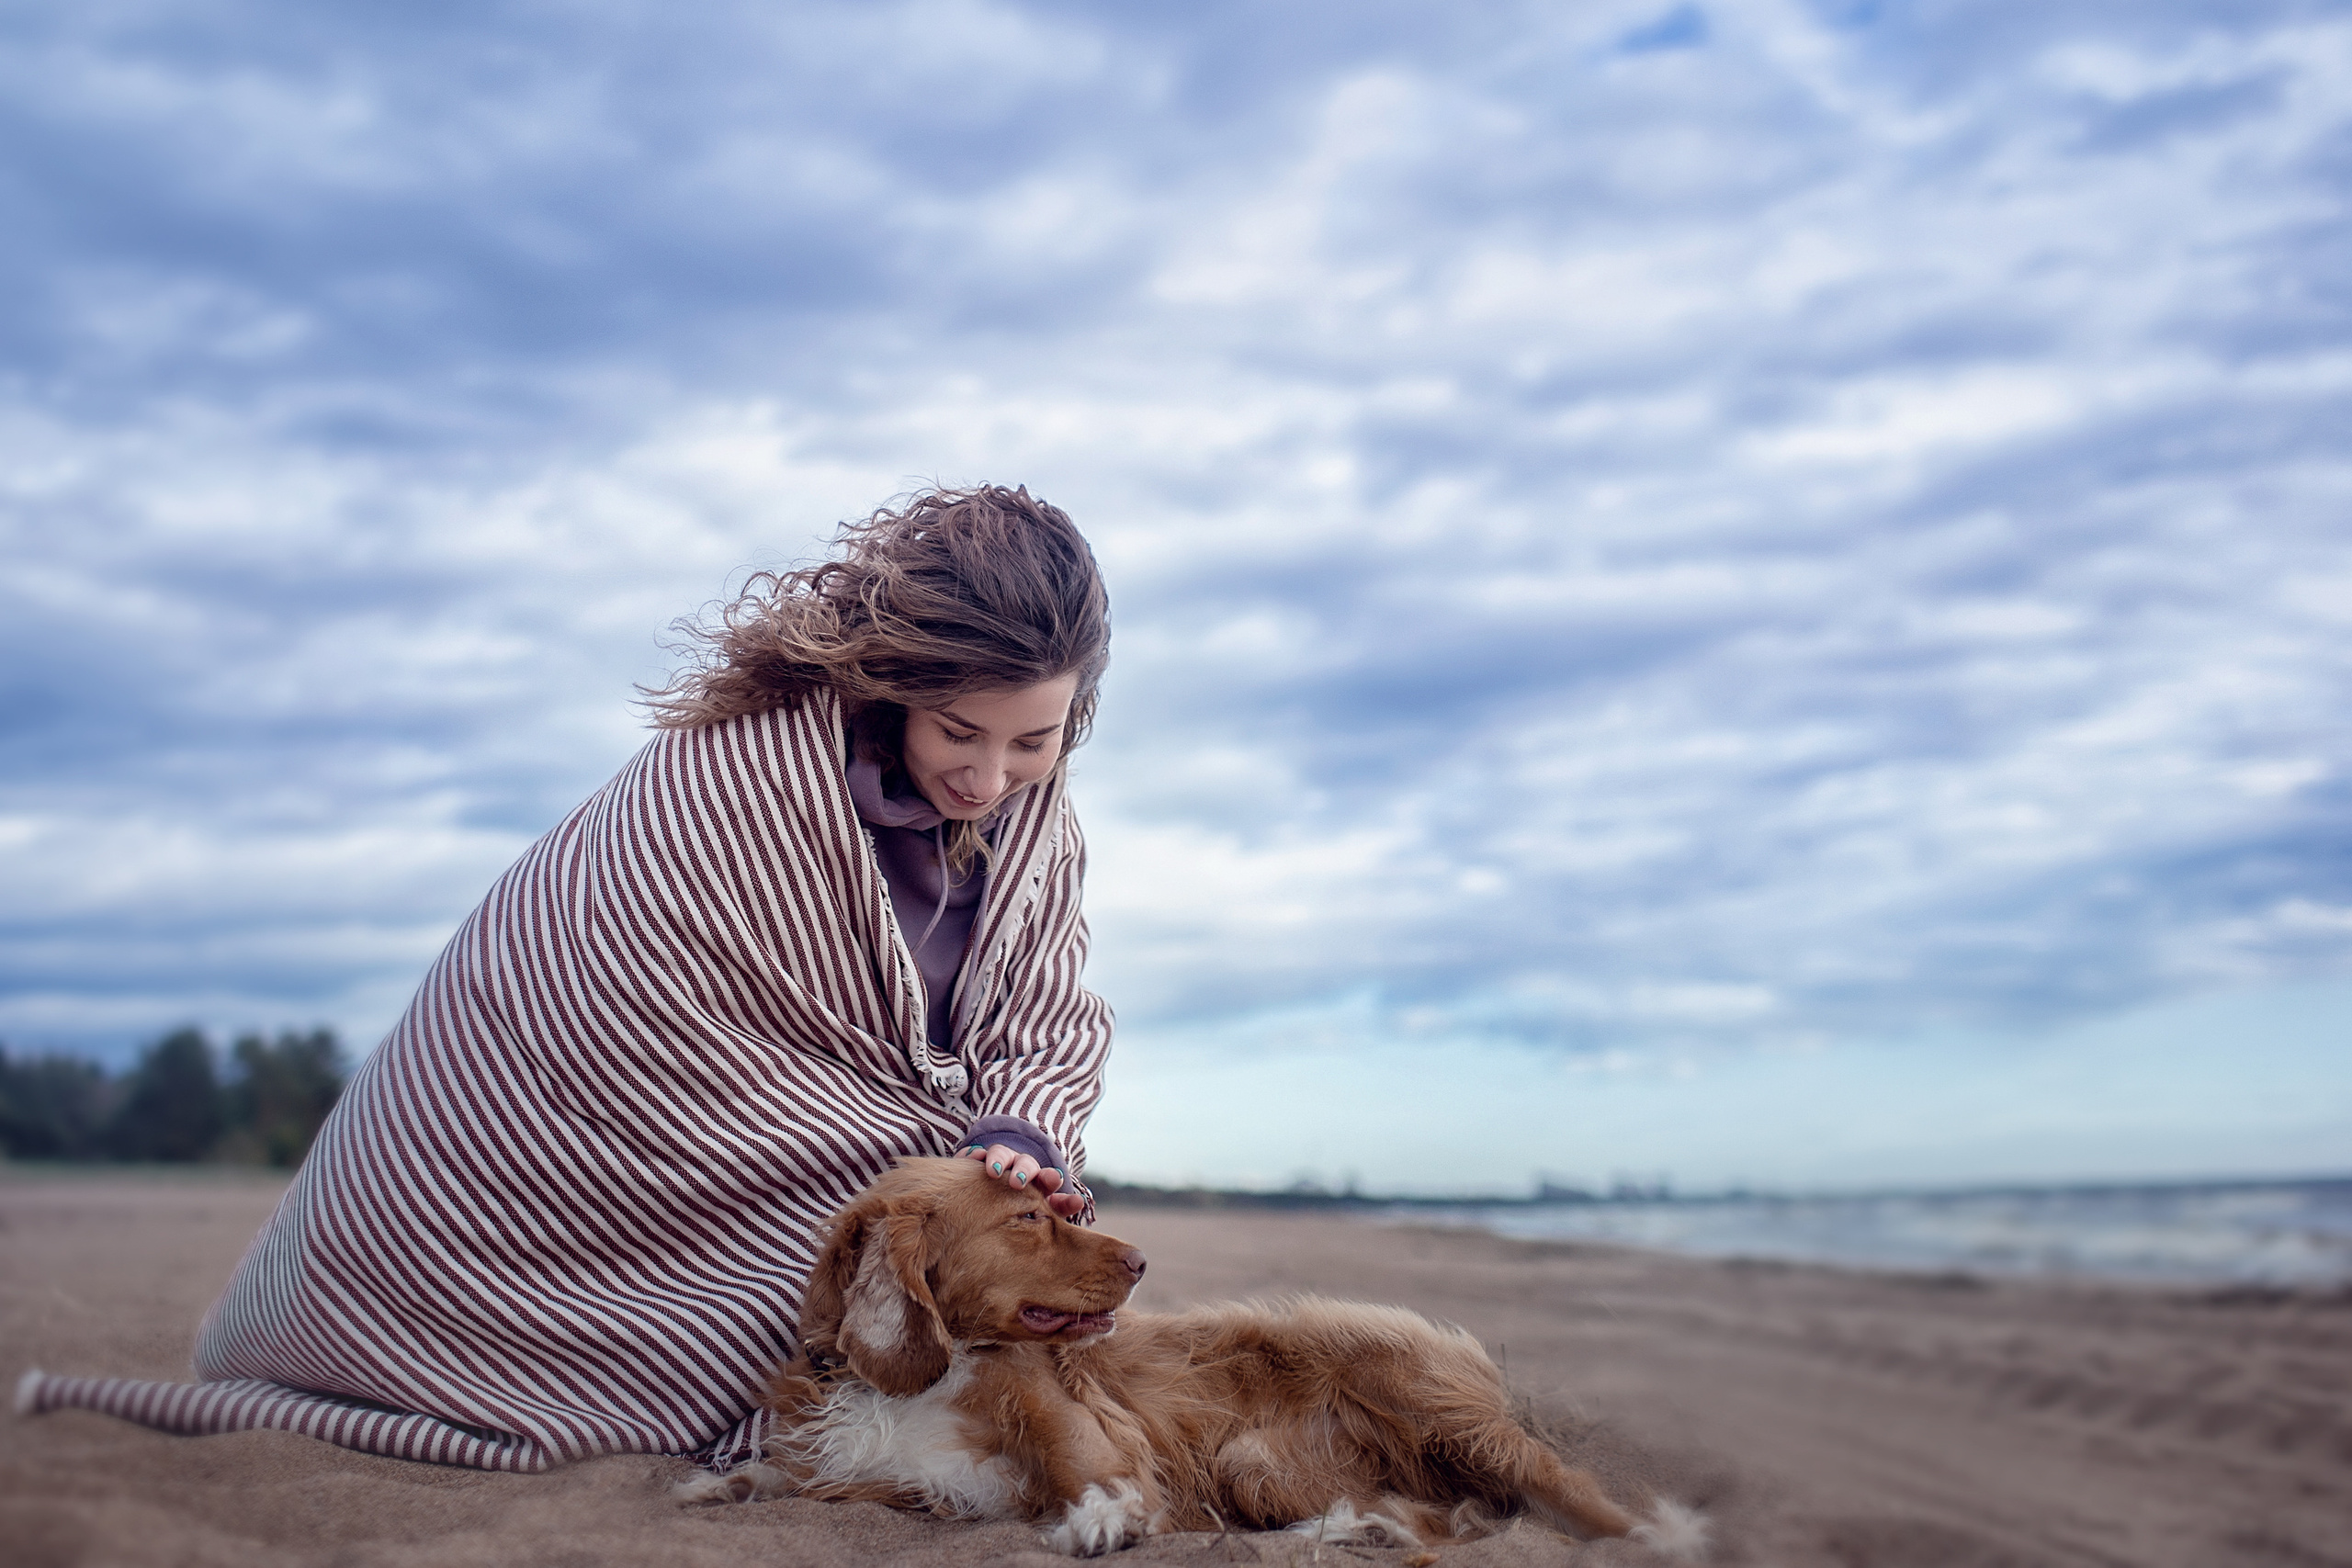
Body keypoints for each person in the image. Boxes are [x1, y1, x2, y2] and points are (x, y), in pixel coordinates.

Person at [20, 484, 1116, 1472]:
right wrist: (909, 1142)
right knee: (898, 1206)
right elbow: (600, 986)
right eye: (958, 732)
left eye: (1033, 742)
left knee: (955, 1222)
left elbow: (1047, 1012)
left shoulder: (1038, 828)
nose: (987, 777)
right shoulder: (735, 785)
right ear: (894, 683)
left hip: (907, 1130)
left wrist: (1019, 1132)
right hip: (656, 1148)